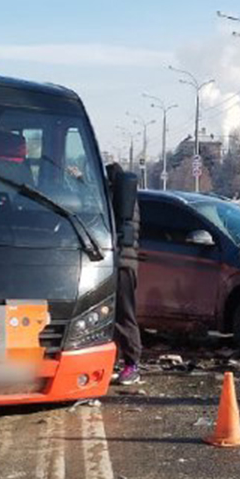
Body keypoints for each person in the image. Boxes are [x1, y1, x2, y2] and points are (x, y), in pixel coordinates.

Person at [107, 163, 142, 386]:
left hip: (121, 264)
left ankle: (132, 365)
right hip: (119, 263)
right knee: (113, 317)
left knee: (123, 316)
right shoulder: (125, 203)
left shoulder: (123, 204)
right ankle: (117, 362)